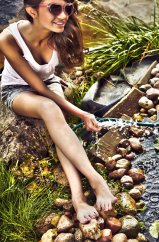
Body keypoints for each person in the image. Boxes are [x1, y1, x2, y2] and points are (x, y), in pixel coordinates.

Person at [0, 0, 117, 224]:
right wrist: (82, 114)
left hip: (49, 82)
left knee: (60, 129)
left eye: (67, 8)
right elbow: (39, 88)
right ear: (32, 11)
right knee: (50, 108)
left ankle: (78, 198)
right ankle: (96, 180)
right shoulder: (8, 38)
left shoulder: (61, 31)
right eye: (54, 8)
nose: (63, 15)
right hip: (17, 90)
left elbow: (50, 78)